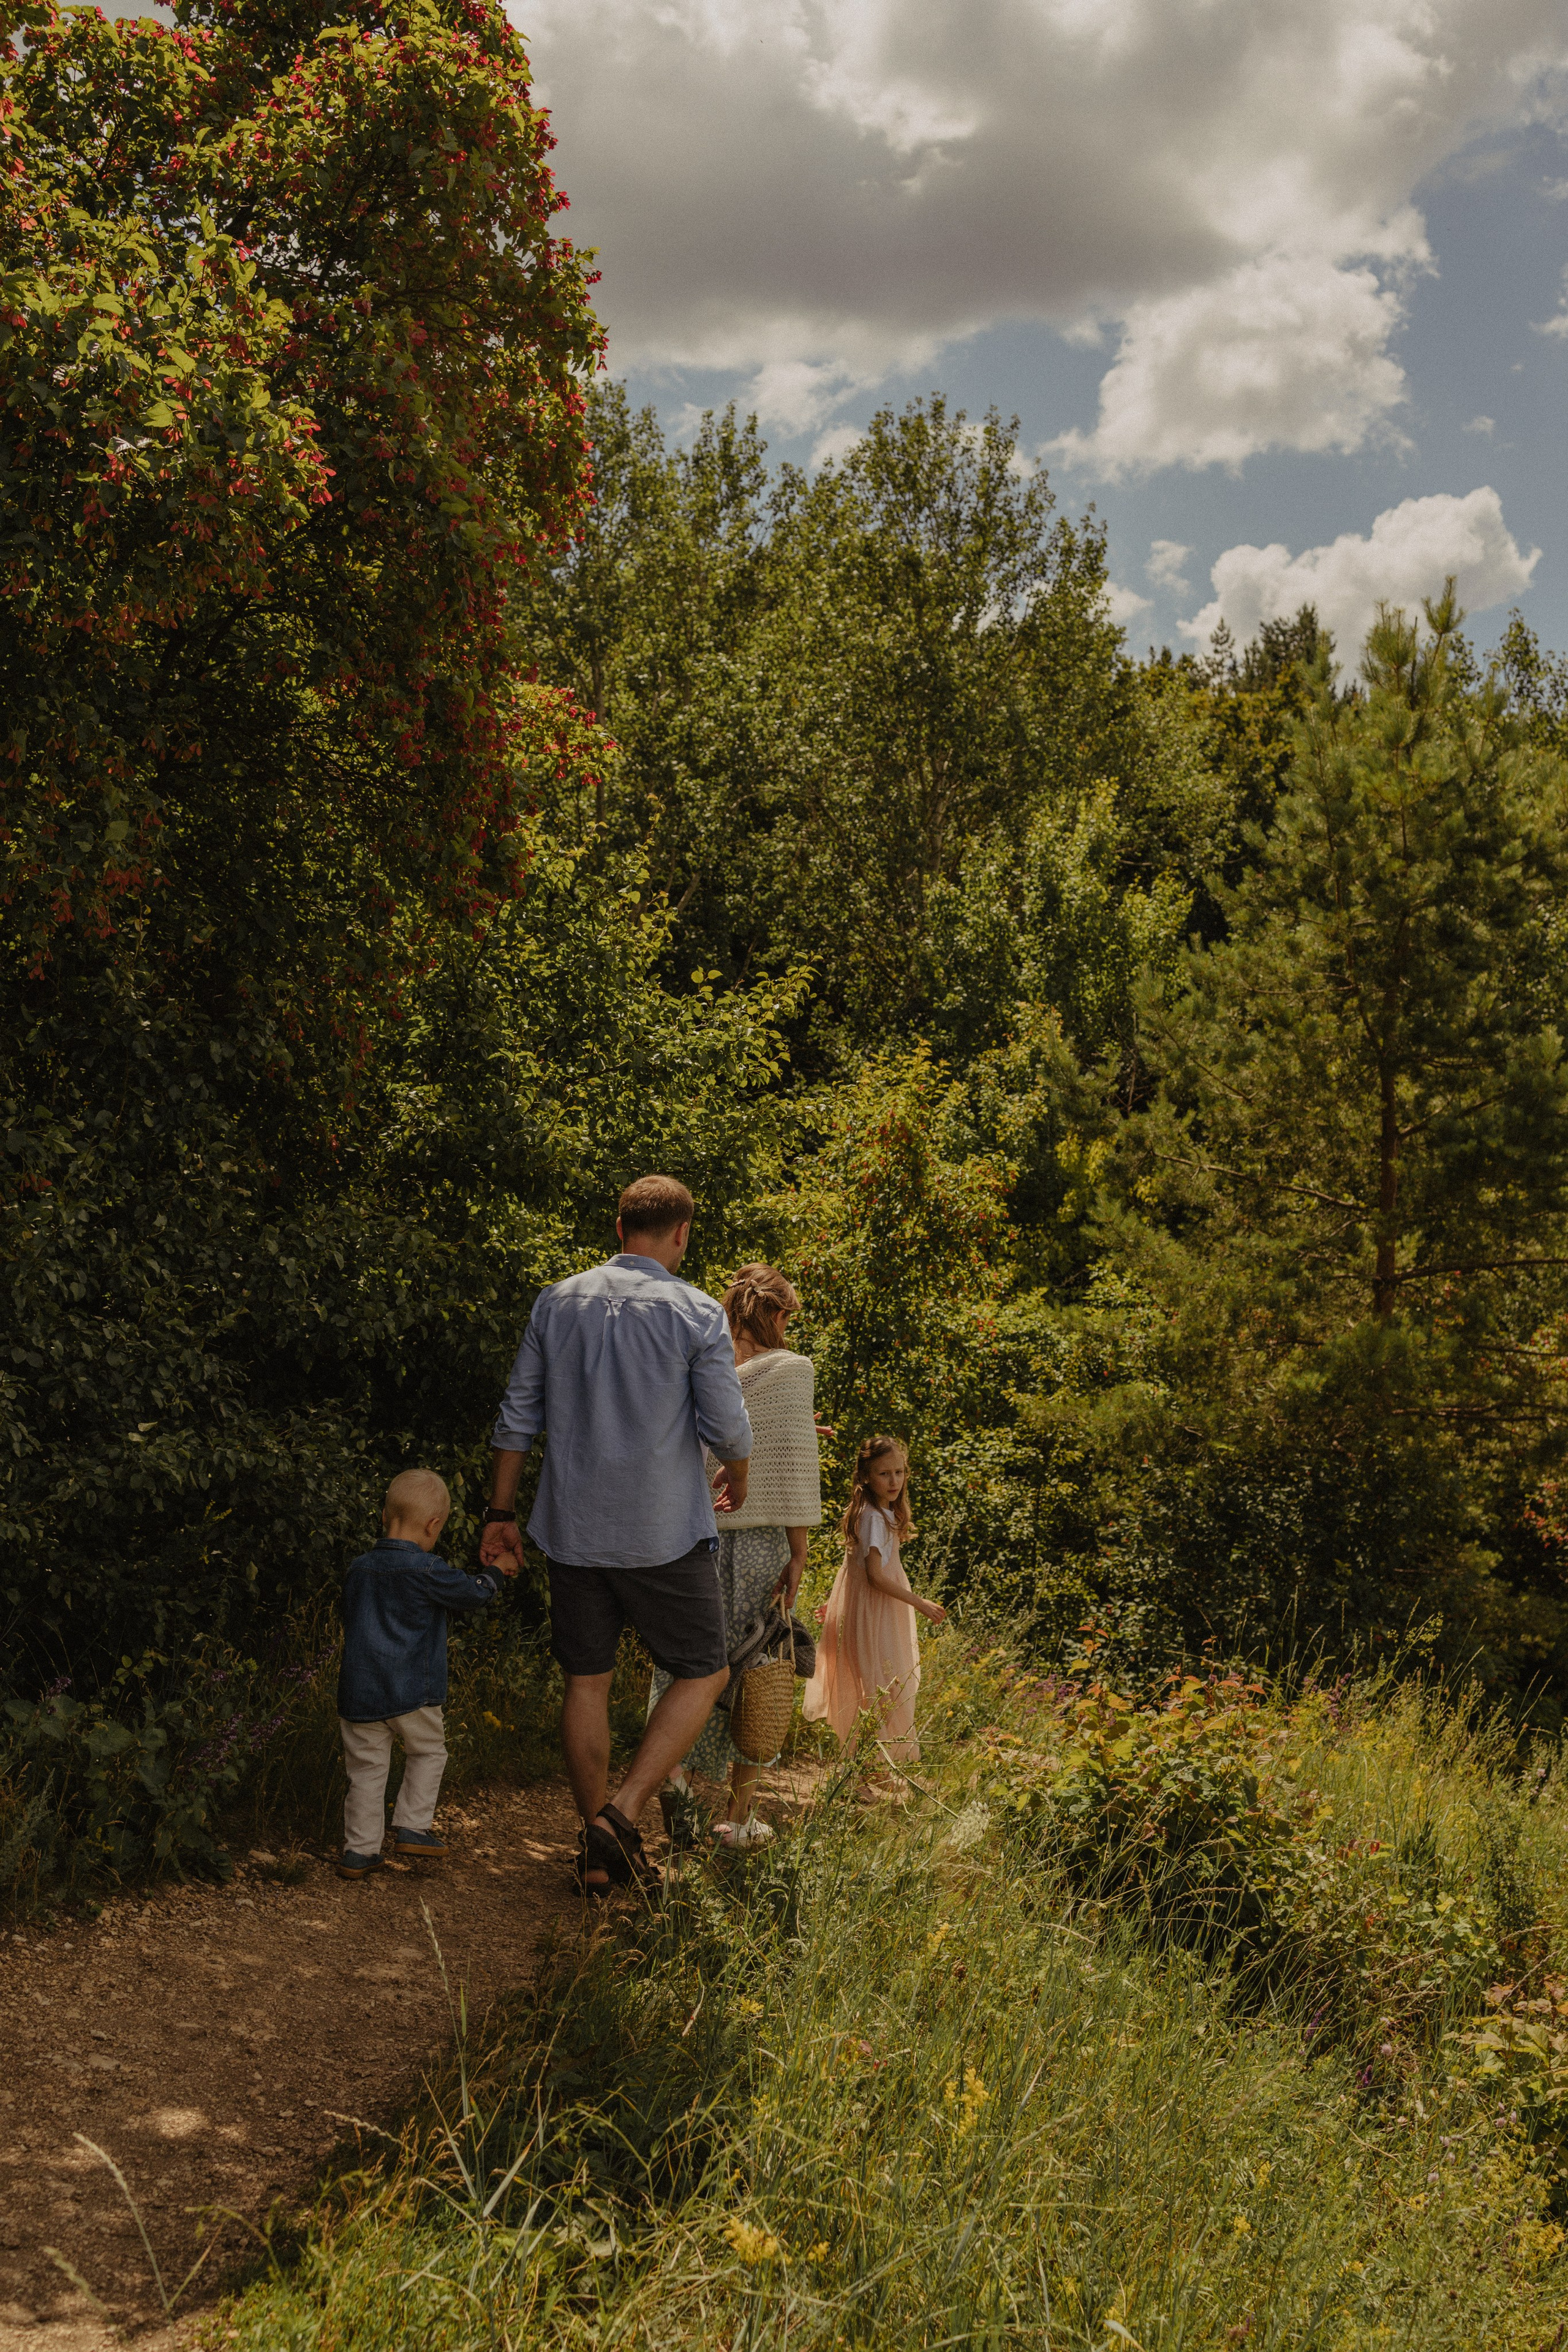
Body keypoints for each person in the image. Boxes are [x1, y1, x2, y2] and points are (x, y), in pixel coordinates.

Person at [481, 1175, 753, 1894]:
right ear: (683, 1234)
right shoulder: (696, 1312)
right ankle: (621, 1816)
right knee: (706, 1669)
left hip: (571, 1529)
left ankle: (597, 1849)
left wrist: (498, 1515)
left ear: (618, 1226)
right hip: (662, 1531)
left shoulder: (557, 1300)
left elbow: (516, 1415)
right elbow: (727, 1427)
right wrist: (742, 1476)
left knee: (587, 1681)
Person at [654, 1262, 823, 1850]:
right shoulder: (792, 1370)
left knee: (683, 1663)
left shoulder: (700, 1359)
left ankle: (672, 1782)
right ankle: (737, 1819)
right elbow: (795, 1469)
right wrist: (798, 1552)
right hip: (758, 1545)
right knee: (759, 1668)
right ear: (776, 1315)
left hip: (689, 1534)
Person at [336, 1468, 499, 1880]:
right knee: (428, 1751)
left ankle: (360, 1851)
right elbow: (472, 1593)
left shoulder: (359, 1569)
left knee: (367, 1770)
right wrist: (496, 1574)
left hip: (360, 1692)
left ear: (386, 1515)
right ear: (433, 1524)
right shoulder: (426, 1569)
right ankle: (412, 1826)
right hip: (411, 1690)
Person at [802, 1434, 945, 1776]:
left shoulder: (877, 1512)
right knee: (881, 1683)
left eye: (900, 1472)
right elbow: (875, 1577)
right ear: (866, 1476)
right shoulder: (873, 1517)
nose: (894, 1481)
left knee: (879, 1682)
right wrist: (920, 1603)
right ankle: (866, 1770)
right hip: (877, 1610)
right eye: (885, 1474)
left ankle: (868, 1768)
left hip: (868, 1608)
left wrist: (838, 1604)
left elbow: (852, 1568)